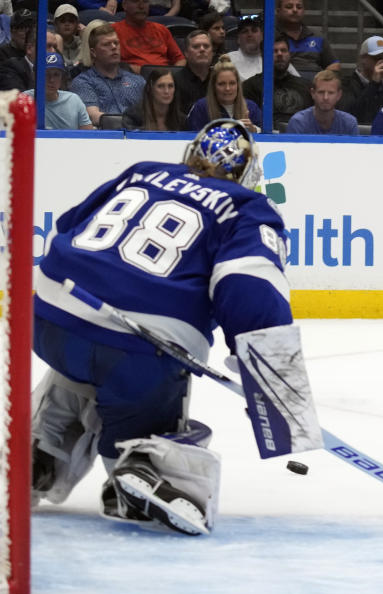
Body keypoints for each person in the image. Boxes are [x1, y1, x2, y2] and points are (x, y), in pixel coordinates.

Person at [30, 119, 302, 535]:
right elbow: (249, 288)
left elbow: (68, 225)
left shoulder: (143, 171)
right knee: (147, 374)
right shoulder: (247, 208)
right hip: (138, 346)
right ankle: (148, 467)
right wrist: (276, 391)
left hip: (51, 312)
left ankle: (38, 452)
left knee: (85, 354)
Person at [72, 24, 147, 128]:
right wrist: (129, 124)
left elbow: (153, 113)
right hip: (105, 138)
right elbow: (93, 116)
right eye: (106, 44)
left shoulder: (138, 81)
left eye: (116, 43)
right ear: (93, 52)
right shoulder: (83, 82)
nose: (114, 47)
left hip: (138, 137)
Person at [242, 39, 312, 130]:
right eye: (274, 51)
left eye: (283, 50)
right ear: (263, 56)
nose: (279, 54)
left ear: (289, 54)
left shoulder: (305, 85)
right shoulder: (250, 86)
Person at [187, 55, 262, 131]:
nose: (227, 88)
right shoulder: (201, 108)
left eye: (232, 83)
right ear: (213, 86)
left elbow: (265, 135)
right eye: (221, 84)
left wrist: (253, 130)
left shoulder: (251, 107)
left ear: (238, 85)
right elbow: (194, 138)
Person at [25, 52, 94, 129]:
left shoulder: (74, 100)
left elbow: (88, 135)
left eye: (56, 74)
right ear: (35, 76)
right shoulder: (24, 100)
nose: (51, 80)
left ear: (62, 78)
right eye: (46, 74)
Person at [113, 0, 186, 73]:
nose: (141, 6)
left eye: (145, 1)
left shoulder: (162, 29)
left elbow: (180, 60)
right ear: (124, 5)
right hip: (131, 78)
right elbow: (110, 62)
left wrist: (172, 75)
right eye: (135, 1)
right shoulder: (113, 31)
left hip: (165, 78)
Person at [338, 35, 383, 125]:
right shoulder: (346, 84)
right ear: (363, 58)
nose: (382, 62)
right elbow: (352, 114)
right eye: (377, 57)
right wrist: (374, 84)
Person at [286, 69, 359, 135]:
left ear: (339, 95)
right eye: (321, 92)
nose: (325, 97)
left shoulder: (349, 123)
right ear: (313, 93)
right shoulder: (298, 122)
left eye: (331, 93)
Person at [275, 0, 339, 74]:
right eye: (289, 7)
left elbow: (334, 65)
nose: (295, 10)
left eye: (299, 7)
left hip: (313, 84)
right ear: (278, 11)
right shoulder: (270, 36)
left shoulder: (317, 36)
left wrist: (322, 81)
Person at [174, 30, 214, 119]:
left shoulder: (221, 80)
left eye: (206, 46)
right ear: (186, 53)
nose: (202, 49)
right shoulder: (174, 81)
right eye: (196, 46)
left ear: (212, 52)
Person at [227, 13, 264, 82]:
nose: (250, 34)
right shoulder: (228, 60)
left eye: (254, 31)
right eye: (245, 31)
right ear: (238, 39)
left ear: (262, 36)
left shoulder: (272, 58)